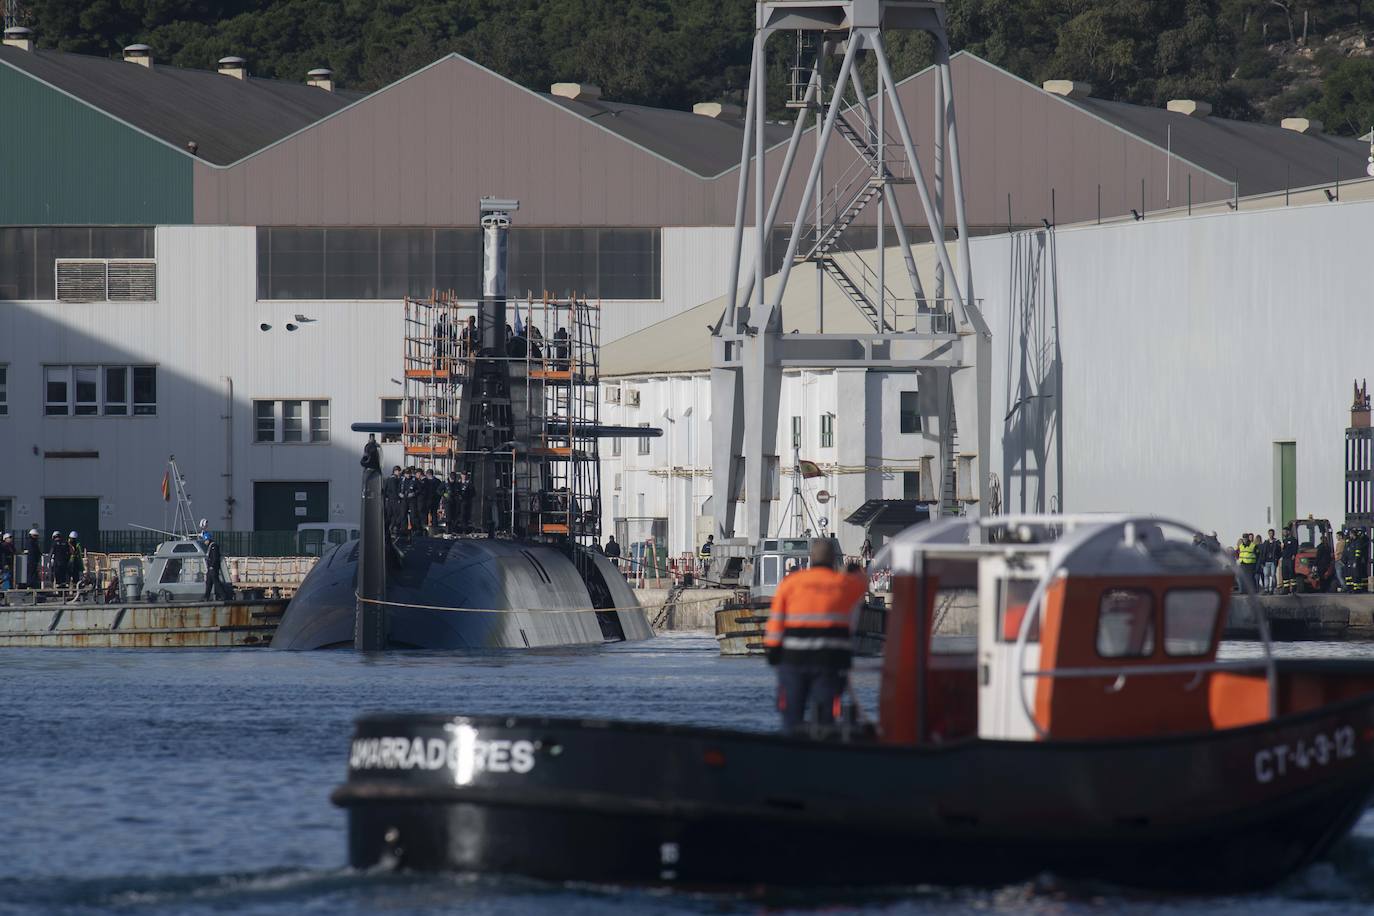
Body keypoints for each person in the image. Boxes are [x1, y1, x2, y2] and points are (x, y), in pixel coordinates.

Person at [764, 538, 867, 731]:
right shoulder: (843, 584)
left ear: (811, 558)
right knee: (826, 718)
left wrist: (773, 652)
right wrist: (855, 569)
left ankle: (790, 749)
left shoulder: (791, 583)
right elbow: (863, 584)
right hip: (829, 662)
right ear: (834, 559)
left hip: (793, 660)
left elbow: (776, 621)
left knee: (791, 716)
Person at [203, 531, 225, 601]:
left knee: (216, 582)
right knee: (208, 583)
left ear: (208, 540)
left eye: (205, 540)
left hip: (213, 568)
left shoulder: (214, 546)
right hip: (210, 568)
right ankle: (206, 597)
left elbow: (215, 558)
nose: (204, 542)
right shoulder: (210, 547)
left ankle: (223, 596)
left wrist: (212, 566)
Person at [383, 465, 403, 538]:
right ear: (396, 471)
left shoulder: (388, 479)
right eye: (398, 471)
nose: (399, 473)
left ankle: (388, 529)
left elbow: (385, 490)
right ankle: (394, 528)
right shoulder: (394, 479)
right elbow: (395, 490)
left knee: (389, 515)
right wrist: (398, 498)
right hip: (394, 499)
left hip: (389, 500)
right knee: (396, 514)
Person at [401, 467, 421, 537]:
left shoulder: (414, 480)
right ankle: (404, 529)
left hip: (412, 499)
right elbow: (398, 489)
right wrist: (399, 494)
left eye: (409, 473)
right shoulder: (402, 480)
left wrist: (414, 493)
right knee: (403, 514)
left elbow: (419, 489)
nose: (408, 475)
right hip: (404, 499)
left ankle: (414, 529)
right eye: (406, 474)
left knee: (413, 515)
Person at [1280, 525, 1298, 593]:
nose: (1283, 533)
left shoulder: (1293, 540)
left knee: (1291, 573)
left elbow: (1295, 549)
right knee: (1285, 574)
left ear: (1288, 532)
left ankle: (1294, 588)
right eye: (1283, 532)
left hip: (1290, 559)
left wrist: (1293, 555)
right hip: (1284, 559)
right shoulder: (1284, 540)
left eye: (1284, 532)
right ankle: (1286, 589)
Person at [1261, 529, 1279, 595]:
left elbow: (1279, 551)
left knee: (1273, 574)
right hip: (1266, 561)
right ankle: (1266, 589)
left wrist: (1277, 559)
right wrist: (1262, 562)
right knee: (1266, 575)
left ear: (1273, 534)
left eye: (1272, 533)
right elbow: (1262, 553)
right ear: (1268, 534)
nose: (1271, 534)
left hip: (1273, 561)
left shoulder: (1276, 542)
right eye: (1270, 533)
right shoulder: (1265, 542)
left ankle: (1273, 588)